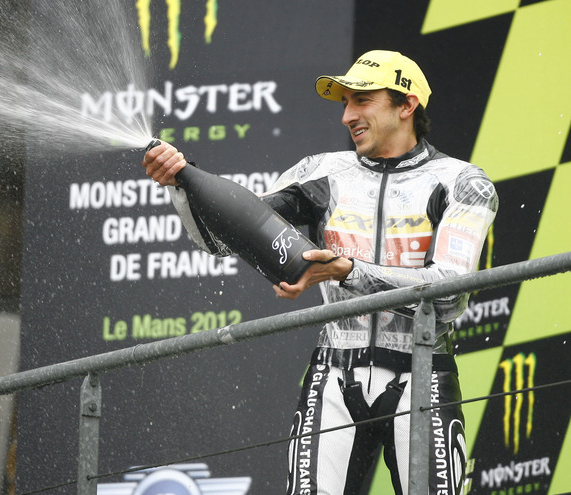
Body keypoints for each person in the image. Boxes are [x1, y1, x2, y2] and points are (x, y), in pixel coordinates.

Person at [142, 50, 498, 495]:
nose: (347, 115)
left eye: (362, 100)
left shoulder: (464, 182)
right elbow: (221, 240)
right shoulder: (322, 172)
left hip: (423, 373)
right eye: (344, 103)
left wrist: (346, 270)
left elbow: (449, 295)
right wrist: (181, 185)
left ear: (406, 105)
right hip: (333, 373)